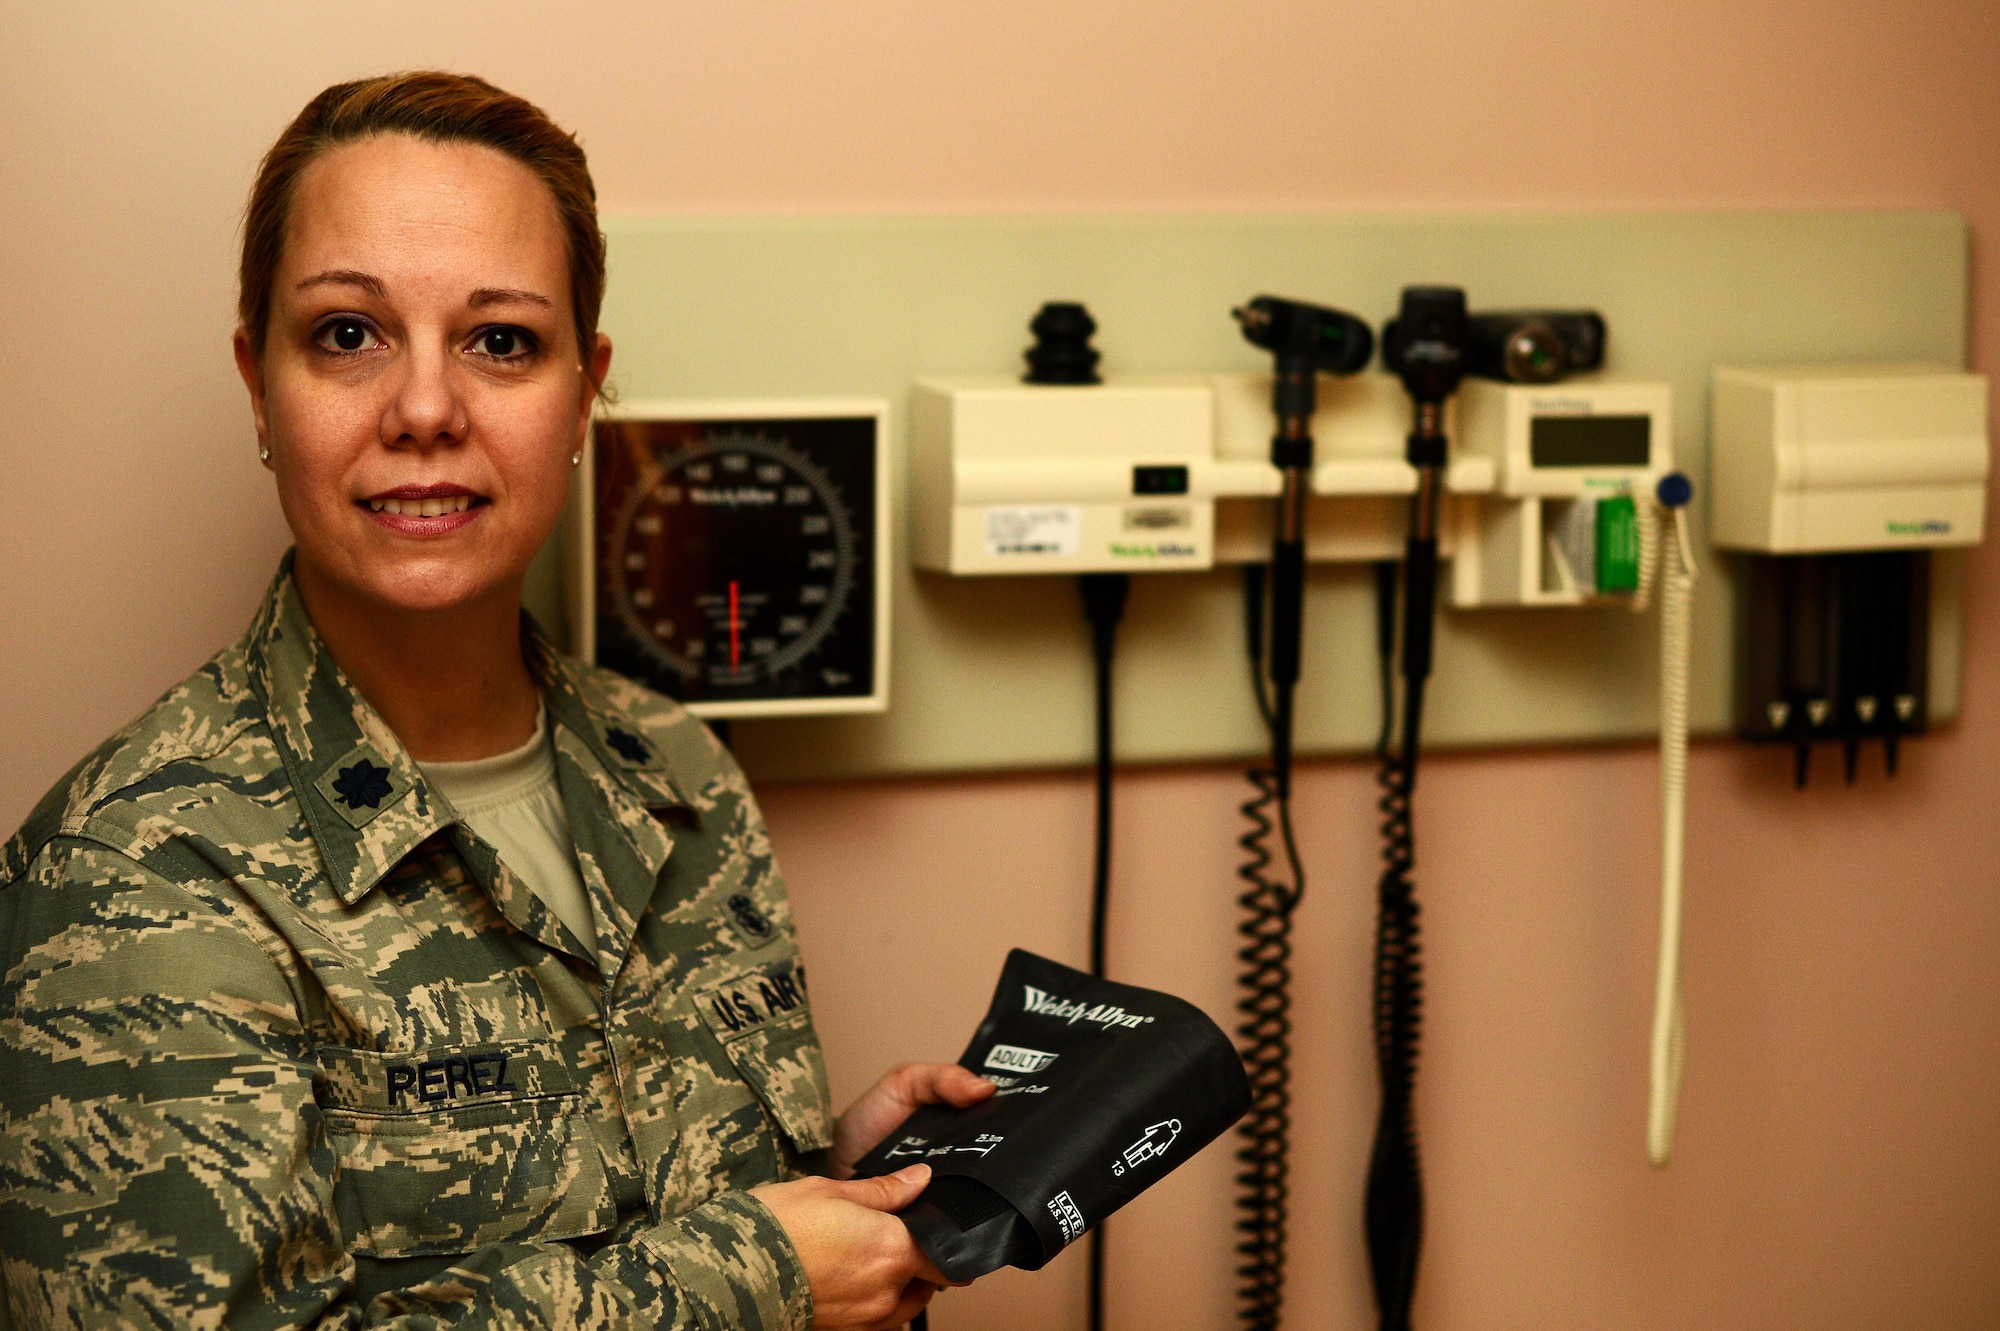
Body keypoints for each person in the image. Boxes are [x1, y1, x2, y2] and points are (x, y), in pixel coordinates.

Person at [0, 71, 993, 1330]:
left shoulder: (677, 771)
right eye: (348, 333)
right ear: (259, 384)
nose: (424, 410)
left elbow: (637, 1197)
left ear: (585, 392)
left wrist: (828, 1196)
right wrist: (754, 1275)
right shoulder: (130, 871)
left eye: (502, 340)